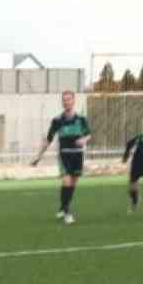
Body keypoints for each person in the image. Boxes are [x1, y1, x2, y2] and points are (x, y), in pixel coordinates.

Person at [31, 90, 91, 224]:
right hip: (64, 155)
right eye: (64, 100)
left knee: (72, 183)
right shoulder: (57, 120)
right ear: (62, 102)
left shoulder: (81, 119)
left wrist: (84, 140)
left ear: (73, 101)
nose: (66, 102)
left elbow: (88, 134)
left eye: (69, 99)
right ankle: (67, 212)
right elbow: (48, 139)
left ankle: (63, 207)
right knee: (66, 181)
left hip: (78, 155)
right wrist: (38, 157)